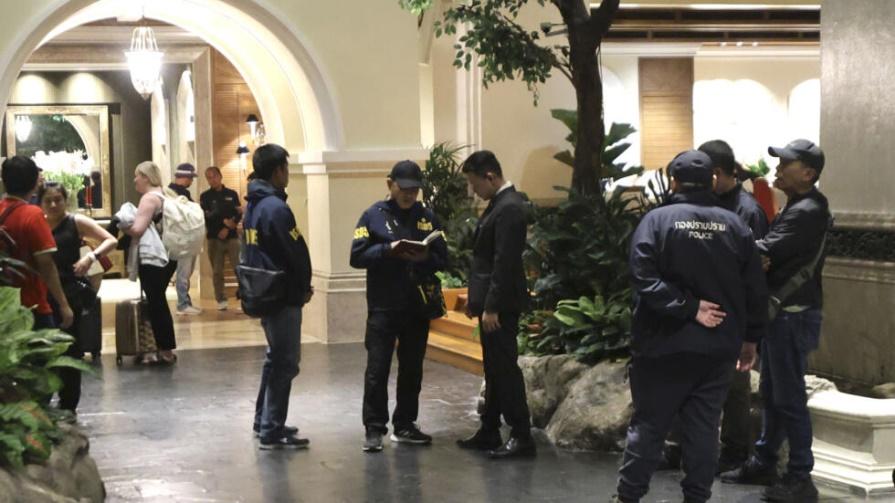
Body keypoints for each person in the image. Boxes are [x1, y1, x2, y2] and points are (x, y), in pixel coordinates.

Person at [615, 150, 767, 503]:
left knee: (650, 425)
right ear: (712, 180)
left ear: (673, 181)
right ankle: (697, 498)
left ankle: (628, 498)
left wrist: (687, 307)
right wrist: (751, 339)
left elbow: (642, 276)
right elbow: (754, 289)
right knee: (703, 429)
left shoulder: (656, 221)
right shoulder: (734, 225)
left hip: (662, 345)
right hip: (717, 349)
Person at [721, 139, 830, 503]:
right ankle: (765, 460)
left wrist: (750, 253)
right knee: (774, 393)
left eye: (786, 163)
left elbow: (761, 253)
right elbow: (763, 256)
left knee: (789, 396)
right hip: (783, 314)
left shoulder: (807, 211)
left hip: (792, 316)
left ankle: (800, 476)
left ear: (808, 173)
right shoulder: (798, 206)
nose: (778, 169)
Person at [660, 140, 770, 473]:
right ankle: (677, 446)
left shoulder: (747, 211)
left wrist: (750, 327)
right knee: (683, 379)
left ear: (718, 174)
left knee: (735, 386)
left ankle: (734, 452)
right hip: (692, 311)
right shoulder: (692, 205)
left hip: (729, 315)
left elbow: (755, 272)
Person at [350, 160, 448, 453]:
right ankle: (374, 428)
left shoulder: (428, 219)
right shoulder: (373, 216)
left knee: (412, 368)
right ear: (390, 184)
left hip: (416, 306)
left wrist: (425, 258)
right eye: (403, 188)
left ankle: (405, 423)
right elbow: (356, 256)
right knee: (377, 369)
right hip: (383, 306)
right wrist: (387, 250)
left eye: (414, 189)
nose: (409, 194)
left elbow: (443, 258)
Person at [455, 150, 534, 459]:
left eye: (475, 183)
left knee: (504, 368)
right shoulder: (498, 206)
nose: (474, 191)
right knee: (494, 368)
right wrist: (477, 301)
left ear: (490, 176)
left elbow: (504, 263)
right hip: (491, 302)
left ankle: (521, 433)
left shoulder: (510, 208)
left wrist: (491, 307)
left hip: (501, 306)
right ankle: (490, 429)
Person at [243, 144, 313, 449]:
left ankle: (264, 421)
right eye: (286, 168)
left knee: (274, 360)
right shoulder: (275, 208)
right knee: (286, 362)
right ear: (277, 172)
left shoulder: (253, 205)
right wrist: (303, 286)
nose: (289, 174)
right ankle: (271, 429)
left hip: (262, 290)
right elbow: (293, 253)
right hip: (281, 294)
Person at [39, 182, 117, 411]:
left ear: (65, 200)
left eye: (58, 200)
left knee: (71, 347)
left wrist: (90, 257)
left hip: (69, 290)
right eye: (48, 200)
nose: (53, 204)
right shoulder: (38, 223)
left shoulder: (75, 222)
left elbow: (110, 239)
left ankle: (69, 404)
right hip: (42, 292)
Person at [0, 156, 73, 331]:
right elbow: (46, 265)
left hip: (4, 303)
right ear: (35, 183)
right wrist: (63, 304)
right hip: (31, 303)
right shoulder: (32, 214)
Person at [121, 161, 178, 364]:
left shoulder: (148, 198)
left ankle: (164, 349)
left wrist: (121, 223)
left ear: (146, 177)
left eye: (137, 175)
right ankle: (162, 347)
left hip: (153, 257)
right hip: (169, 255)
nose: (135, 180)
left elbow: (137, 230)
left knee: (156, 303)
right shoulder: (165, 194)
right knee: (158, 301)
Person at [200, 166, 242, 311]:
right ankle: (221, 299)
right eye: (209, 178)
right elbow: (207, 216)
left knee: (239, 268)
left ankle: (244, 297)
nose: (212, 180)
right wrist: (222, 223)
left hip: (231, 237)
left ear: (220, 176)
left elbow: (238, 212)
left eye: (214, 176)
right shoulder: (205, 196)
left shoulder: (232, 194)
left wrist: (230, 225)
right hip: (214, 238)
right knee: (217, 271)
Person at [169, 163, 201, 315]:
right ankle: (183, 304)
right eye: (191, 178)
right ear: (184, 177)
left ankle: (185, 301)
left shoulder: (178, 192)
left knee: (184, 273)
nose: (192, 182)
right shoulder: (176, 193)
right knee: (183, 273)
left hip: (182, 238)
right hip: (182, 239)